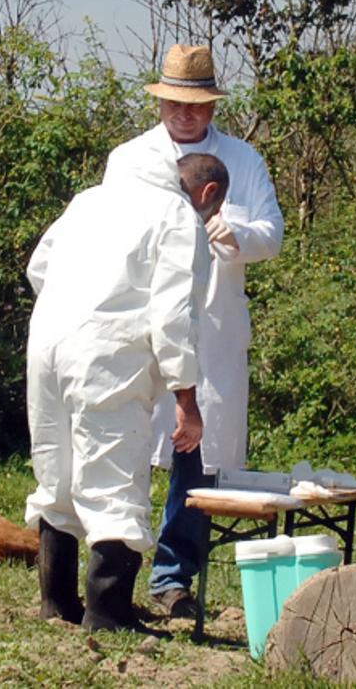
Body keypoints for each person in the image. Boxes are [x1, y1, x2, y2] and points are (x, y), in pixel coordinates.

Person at [105, 44, 284, 619]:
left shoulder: (241, 159)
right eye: (175, 103)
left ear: (211, 106)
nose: (185, 114)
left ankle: (173, 578)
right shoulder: (130, 158)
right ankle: (112, 572)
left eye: (196, 105)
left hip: (209, 321)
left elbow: (270, 233)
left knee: (194, 455)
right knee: (125, 444)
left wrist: (224, 231)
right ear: (162, 102)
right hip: (137, 317)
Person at [25, 151, 228, 632]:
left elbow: (39, 268)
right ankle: (108, 613)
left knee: (57, 469)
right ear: (209, 195)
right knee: (113, 476)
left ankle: (57, 602)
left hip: (48, 342)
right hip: (109, 354)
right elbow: (173, 315)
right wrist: (187, 400)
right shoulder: (178, 216)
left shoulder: (88, 200)